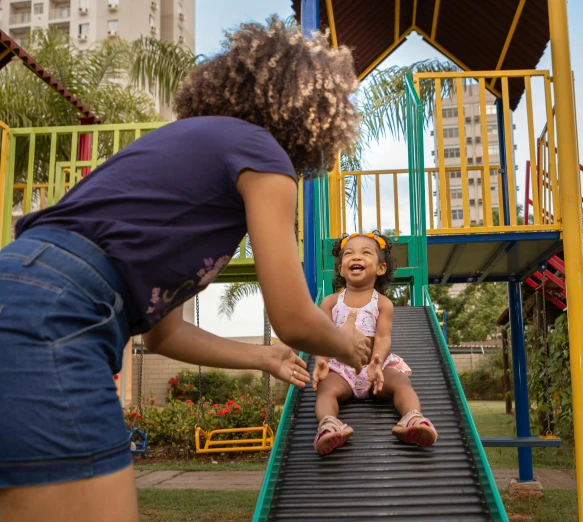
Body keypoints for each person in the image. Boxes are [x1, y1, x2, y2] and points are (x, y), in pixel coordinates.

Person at [0, 17, 370, 522]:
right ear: (308, 118)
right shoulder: (262, 153)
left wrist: (264, 358)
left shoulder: (179, 147)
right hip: (57, 314)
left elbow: (164, 337)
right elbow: (295, 318)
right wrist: (351, 347)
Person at [311, 232, 438, 456]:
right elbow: (321, 337)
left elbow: (383, 337)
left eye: (365, 253)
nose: (355, 257)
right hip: (342, 371)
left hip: (375, 369)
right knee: (325, 390)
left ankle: (413, 418)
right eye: (348, 254)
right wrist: (321, 361)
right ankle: (329, 425)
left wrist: (377, 364)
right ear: (341, 269)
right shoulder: (330, 303)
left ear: (380, 268)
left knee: (400, 382)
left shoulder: (383, 304)